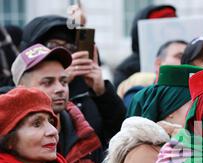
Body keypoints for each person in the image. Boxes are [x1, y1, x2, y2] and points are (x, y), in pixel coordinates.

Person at [20, 15, 126, 148]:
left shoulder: (89, 91)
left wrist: (102, 92)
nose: (59, 89)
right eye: (53, 45)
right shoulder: (12, 100)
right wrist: (64, 78)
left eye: (70, 47)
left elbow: (120, 137)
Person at [113, 4, 177, 88]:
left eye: (174, 27)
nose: (170, 35)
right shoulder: (127, 69)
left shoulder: (187, 60)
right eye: (162, 30)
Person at [118, 40, 187, 109]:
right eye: (180, 56)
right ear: (158, 63)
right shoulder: (139, 95)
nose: (185, 62)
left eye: (189, 59)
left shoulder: (193, 100)